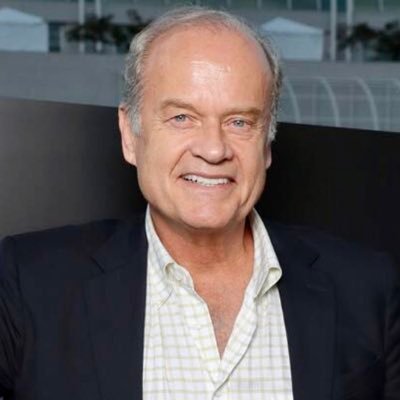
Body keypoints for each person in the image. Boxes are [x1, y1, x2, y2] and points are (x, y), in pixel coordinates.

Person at [0, 6, 399, 400]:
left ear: (266, 145)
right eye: (182, 118)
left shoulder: (368, 291)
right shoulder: (29, 283)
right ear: (130, 135)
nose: (213, 149)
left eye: (239, 122)